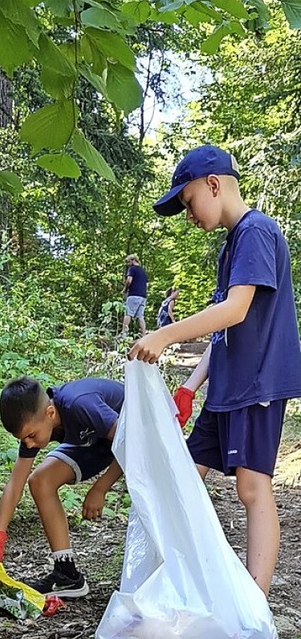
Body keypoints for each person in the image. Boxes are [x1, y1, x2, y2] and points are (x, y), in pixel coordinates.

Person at [128, 144, 301, 595]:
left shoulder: (256, 231)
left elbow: (237, 309)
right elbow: (222, 329)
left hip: (256, 384)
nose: (188, 215)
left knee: (252, 487)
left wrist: (165, 335)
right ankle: (177, 579)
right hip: (225, 388)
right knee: (185, 473)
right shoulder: (232, 246)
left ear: (213, 184)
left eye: (187, 203)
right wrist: (188, 388)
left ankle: (254, 602)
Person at [0, 375, 125, 598]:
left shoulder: (80, 404)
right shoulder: (36, 424)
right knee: (40, 482)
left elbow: (131, 442)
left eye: (30, 436)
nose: (28, 444)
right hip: (98, 441)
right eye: (23, 439)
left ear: (50, 413)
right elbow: (15, 484)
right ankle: (67, 574)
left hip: (139, 433)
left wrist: (101, 488)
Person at [121, 254, 148, 336]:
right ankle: (144, 334)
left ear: (133, 260)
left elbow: (129, 280)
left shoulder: (132, 269)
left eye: (128, 262)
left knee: (128, 313)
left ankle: (124, 334)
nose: (128, 264)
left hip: (134, 295)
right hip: (143, 296)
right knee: (140, 316)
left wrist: (125, 289)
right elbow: (147, 285)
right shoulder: (143, 271)